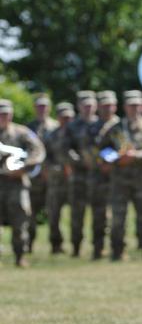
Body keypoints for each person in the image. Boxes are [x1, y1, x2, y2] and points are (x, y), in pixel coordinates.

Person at [98, 92, 142, 261]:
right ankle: (118, 251)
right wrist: (117, 158)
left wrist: (137, 155)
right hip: (120, 180)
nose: (134, 108)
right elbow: (103, 150)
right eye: (130, 105)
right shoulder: (115, 129)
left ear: (141, 106)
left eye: (137, 105)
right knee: (118, 217)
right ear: (125, 107)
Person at [0, 99, 46, 267]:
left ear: (11, 114)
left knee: (20, 221)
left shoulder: (22, 132)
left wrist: (24, 168)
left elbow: (38, 151)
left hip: (16, 183)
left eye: (5, 113)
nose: (3, 117)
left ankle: (20, 256)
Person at [63, 91, 98, 258]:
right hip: (78, 177)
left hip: (100, 177)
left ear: (95, 106)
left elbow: (118, 147)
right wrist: (79, 160)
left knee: (101, 213)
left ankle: (99, 248)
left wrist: (101, 161)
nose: (88, 108)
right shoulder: (71, 126)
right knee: (77, 214)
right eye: (85, 105)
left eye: (90, 105)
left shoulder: (104, 125)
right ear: (79, 106)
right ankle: (76, 247)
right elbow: (65, 149)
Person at [88, 91, 120, 260]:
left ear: (115, 106)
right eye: (104, 105)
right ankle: (98, 248)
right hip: (97, 177)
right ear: (98, 107)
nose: (107, 108)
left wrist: (112, 162)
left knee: (118, 215)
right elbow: (87, 148)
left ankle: (117, 249)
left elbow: (125, 147)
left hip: (119, 177)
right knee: (98, 214)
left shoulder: (121, 126)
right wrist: (100, 161)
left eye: (110, 105)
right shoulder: (92, 127)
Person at [26, 93, 57, 253]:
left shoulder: (56, 127)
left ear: (49, 108)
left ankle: (55, 245)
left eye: (45, 105)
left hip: (53, 177)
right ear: (35, 108)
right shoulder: (27, 128)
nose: (42, 109)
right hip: (33, 178)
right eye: (39, 106)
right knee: (30, 212)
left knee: (54, 211)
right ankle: (28, 244)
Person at [44, 102, 75, 255]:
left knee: (78, 214)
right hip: (56, 181)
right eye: (63, 117)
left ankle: (77, 246)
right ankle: (56, 245)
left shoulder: (79, 133)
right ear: (58, 118)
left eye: (69, 117)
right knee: (53, 214)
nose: (66, 120)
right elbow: (45, 157)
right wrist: (56, 169)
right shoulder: (51, 135)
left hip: (77, 181)